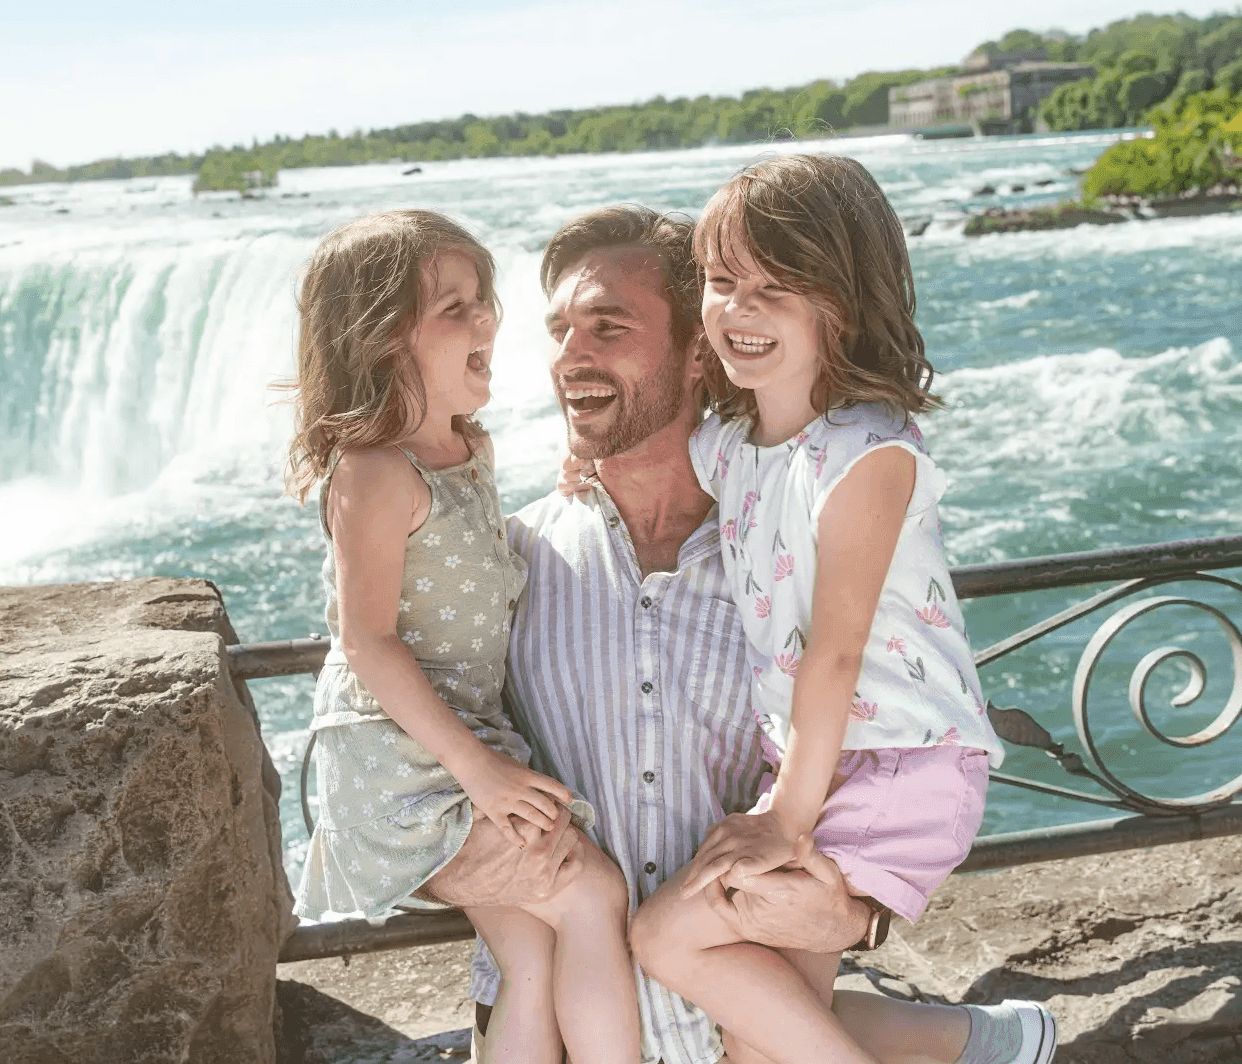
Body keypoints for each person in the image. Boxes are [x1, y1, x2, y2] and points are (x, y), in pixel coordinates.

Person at [458, 202, 1055, 1064]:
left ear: (699, 348)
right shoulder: (510, 560)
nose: (570, 357)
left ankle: (980, 1041)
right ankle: (979, 1043)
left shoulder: (788, 548)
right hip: (567, 1026)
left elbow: (889, 748)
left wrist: (859, 916)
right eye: (560, 330)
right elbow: (406, 746)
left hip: (739, 1017)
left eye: (608, 326)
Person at [284, 209, 641, 1064]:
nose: (488, 321)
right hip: (400, 764)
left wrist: (565, 489)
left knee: (530, 949)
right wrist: (479, 771)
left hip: (460, 747)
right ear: (379, 340)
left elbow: (461, 560)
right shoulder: (374, 471)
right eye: (455, 309)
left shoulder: (465, 449)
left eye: (482, 301)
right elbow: (367, 641)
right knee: (592, 894)